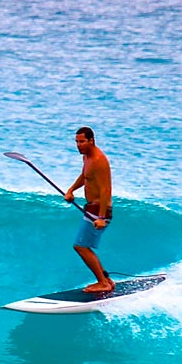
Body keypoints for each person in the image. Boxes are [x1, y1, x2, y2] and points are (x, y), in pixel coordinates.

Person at [64, 126, 115, 293]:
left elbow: (105, 189)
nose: (79, 145)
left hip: (99, 209)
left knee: (81, 246)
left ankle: (103, 283)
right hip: (91, 207)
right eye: (77, 142)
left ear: (91, 140)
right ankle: (107, 279)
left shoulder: (99, 160)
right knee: (84, 246)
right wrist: (71, 190)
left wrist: (101, 217)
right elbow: (85, 176)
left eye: (82, 141)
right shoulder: (87, 157)